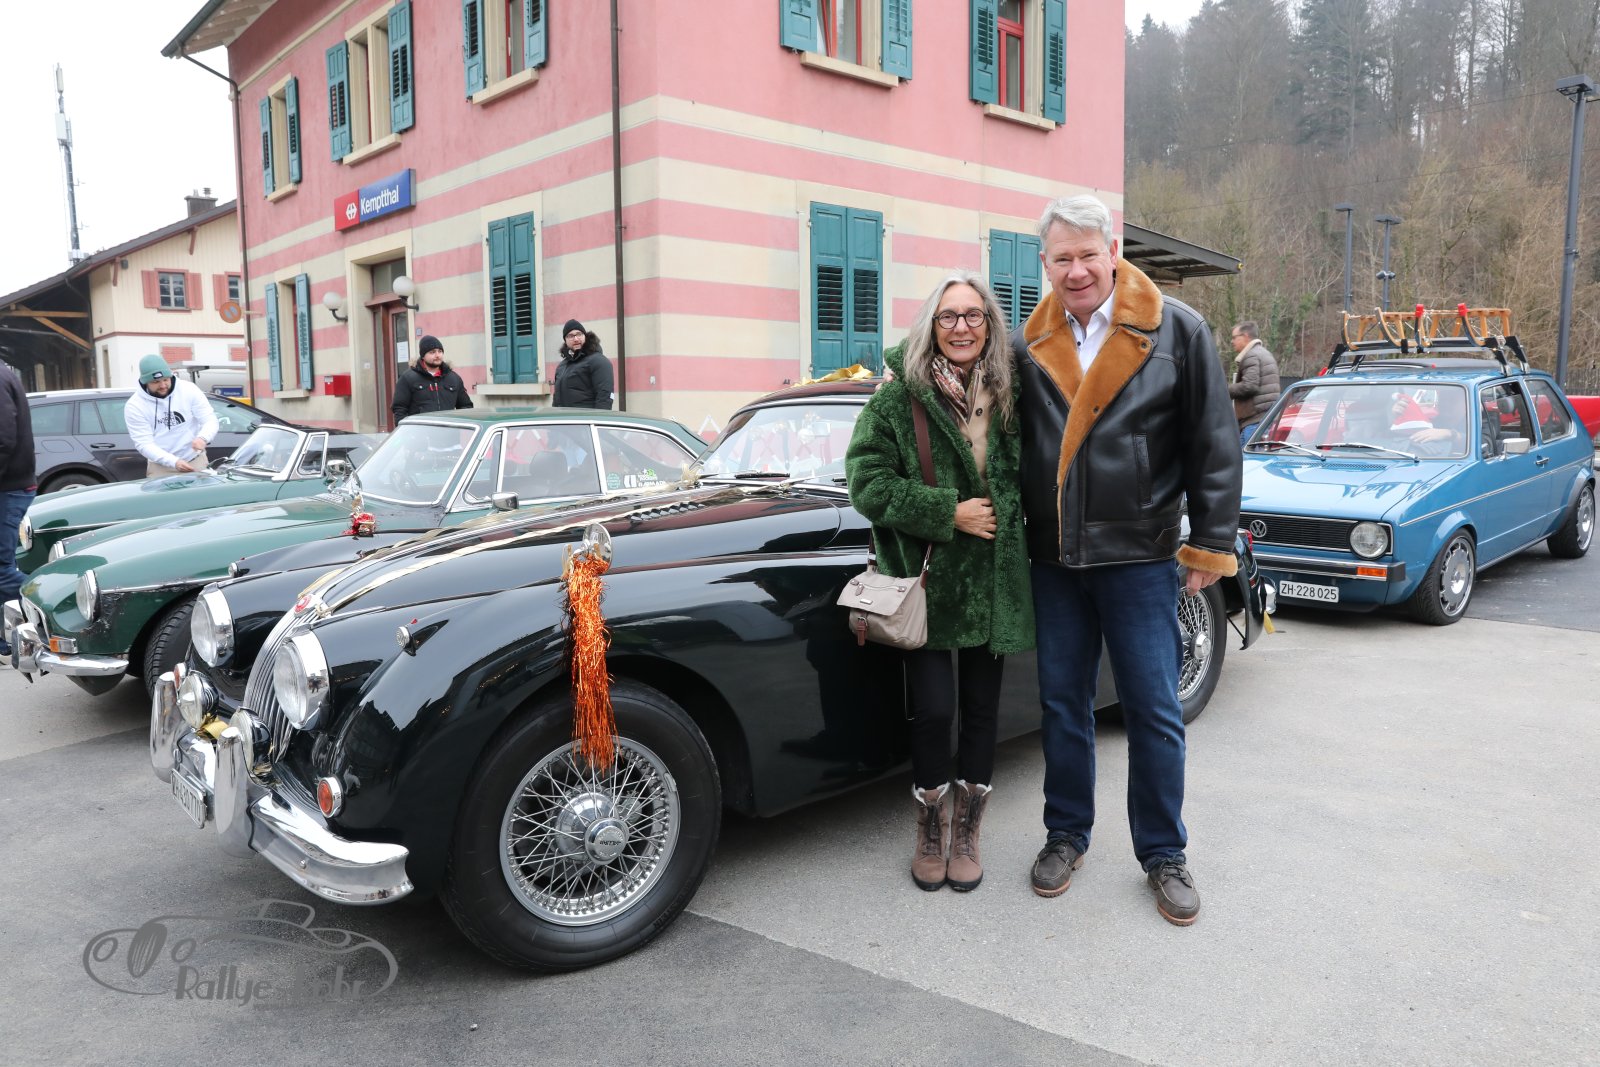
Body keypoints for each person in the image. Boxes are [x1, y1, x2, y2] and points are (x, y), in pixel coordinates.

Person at [1011, 194, 1241, 926]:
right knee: (1062, 706)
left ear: (1113, 253)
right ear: (1044, 263)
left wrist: (1211, 543)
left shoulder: (1178, 329)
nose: (1076, 270)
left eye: (1087, 254)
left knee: (1153, 709)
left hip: (1141, 556)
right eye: (1062, 258)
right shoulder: (1027, 343)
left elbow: (1214, 445)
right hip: (1055, 560)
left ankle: (1164, 853)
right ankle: (1066, 833)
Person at [846, 273, 1034, 892]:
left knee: (981, 711)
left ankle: (968, 829)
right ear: (931, 326)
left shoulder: (1012, 391)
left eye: (973, 316)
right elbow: (866, 482)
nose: (961, 328)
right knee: (932, 712)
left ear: (990, 324)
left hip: (994, 581)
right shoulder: (898, 398)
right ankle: (930, 825)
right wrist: (947, 512)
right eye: (948, 317)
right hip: (926, 581)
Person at [125, 355, 220, 477]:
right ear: (145, 382)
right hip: (161, 467)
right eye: (156, 382)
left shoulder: (189, 389)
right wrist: (173, 462)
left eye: (165, 379)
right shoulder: (135, 405)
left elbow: (210, 420)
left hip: (195, 461)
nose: (163, 385)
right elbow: (144, 443)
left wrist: (203, 438)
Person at [0, 358, 37, 661]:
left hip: (8, 487)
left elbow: (3, 439)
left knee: (2, 571)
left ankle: (57, 599)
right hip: (10, 485)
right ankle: (5, 641)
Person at [392, 335, 473, 423]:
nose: (437, 355)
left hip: (448, 430)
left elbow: (466, 406)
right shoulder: (408, 378)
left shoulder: (454, 378)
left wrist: (458, 425)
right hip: (420, 430)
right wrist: (407, 430)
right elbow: (399, 409)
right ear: (423, 356)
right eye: (432, 352)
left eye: (440, 351)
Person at [1229, 321, 1281, 445]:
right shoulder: (1264, 353)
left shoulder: (1251, 356)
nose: (1232, 341)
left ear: (1246, 336)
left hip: (1254, 422)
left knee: (1247, 457)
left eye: (1234, 337)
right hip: (1265, 419)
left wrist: (1224, 389)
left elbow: (1249, 386)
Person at [551, 320, 615, 409]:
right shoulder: (562, 366)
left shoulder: (598, 361)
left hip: (585, 417)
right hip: (564, 417)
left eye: (579, 334)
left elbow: (605, 397)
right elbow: (556, 399)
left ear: (585, 336)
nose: (576, 339)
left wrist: (599, 418)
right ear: (565, 340)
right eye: (570, 336)